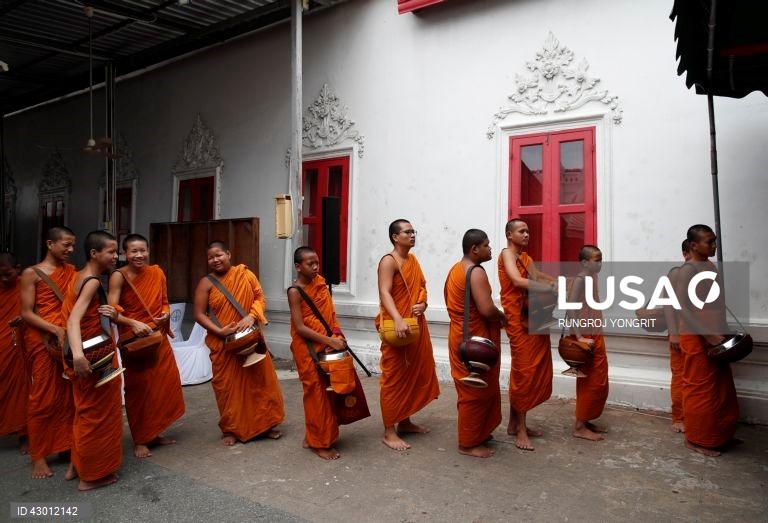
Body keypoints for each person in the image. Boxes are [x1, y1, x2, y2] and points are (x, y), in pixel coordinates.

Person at [193, 241, 285, 446]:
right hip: (223, 344)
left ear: (228, 254)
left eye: (219, 255)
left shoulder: (245, 274)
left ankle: (266, 424)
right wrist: (219, 331)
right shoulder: (206, 283)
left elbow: (260, 298)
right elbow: (199, 314)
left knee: (259, 383)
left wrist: (252, 316)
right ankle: (231, 428)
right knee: (227, 388)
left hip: (250, 338)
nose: (215, 260)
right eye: (210, 257)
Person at [108, 234, 185, 458]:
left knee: (163, 386)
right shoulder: (118, 276)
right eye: (133, 251)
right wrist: (133, 322)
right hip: (135, 340)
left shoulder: (156, 272)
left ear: (148, 251)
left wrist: (165, 315)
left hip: (157, 337)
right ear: (124, 253)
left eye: (143, 250)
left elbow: (164, 301)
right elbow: (112, 311)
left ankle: (155, 431)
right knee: (139, 389)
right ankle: (140, 439)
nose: (139, 255)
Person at [62, 230, 123, 491]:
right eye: (111, 251)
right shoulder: (93, 282)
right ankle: (91, 476)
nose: (115, 256)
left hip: (84, 351)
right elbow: (74, 319)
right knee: (95, 415)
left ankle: (76, 465)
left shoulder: (79, 276)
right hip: (90, 356)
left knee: (83, 410)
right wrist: (78, 356)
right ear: (94, 253)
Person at [674, 224, 739, 457]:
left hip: (715, 333)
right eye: (709, 242)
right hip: (697, 335)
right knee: (699, 388)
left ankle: (721, 434)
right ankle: (696, 438)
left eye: (714, 241)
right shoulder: (688, 270)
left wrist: (723, 329)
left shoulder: (709, 266)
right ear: (693, 245)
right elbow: (681, 306)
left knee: (721, 387)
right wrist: (707, 334)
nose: (714, 246)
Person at [376, 219, 440, 451]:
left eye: (414, 231)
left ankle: (405, 420)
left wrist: (422, 304)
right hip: (399, 325)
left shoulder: (412, 260)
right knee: (394, 377)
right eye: (407, 232)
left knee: (412, 371)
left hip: (414, 325)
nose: (412, 235)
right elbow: (384, 292)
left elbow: (421, 288)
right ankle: (389, 431)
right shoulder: (389, 261)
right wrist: (398, 319)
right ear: (395, 237)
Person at [19, 226, 76, 479]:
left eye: (73, 245)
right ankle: (38, 456)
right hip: (42, 338)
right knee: (42, 396)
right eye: (66, 245)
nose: (70, 250)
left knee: (68, 396)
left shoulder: (72, 272)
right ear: (50, 244)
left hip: (65, 338)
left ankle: (65, 445)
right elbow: (26, 312)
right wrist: (53, 328)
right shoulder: (31, 274)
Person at [444, 229, 506, 458]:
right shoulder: (476, 272)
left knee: (477, 387)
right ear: (475, 249)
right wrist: (502, 317)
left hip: (459, 336)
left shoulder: (455, 270)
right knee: (475, 392)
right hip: (474, 340)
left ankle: (479, 432)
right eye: (487, 245)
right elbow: (486, 309)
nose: (490, 249)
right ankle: (468, 443)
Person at [498, 219, 555, 450]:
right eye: (522, 231)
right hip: (518, 321)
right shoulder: (507, 254)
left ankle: (515, 423)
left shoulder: (526, 258)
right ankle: (520, 429)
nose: (527, 234)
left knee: (529, 371)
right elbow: (517, 281)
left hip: (533, 316)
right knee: (524, 372)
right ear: (509, 235)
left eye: (528, 231)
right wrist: (549, 288)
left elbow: (536, 279)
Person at [286, 246, 348, 460]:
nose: (315, 267)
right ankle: (320, 443)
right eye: (309, 264)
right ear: (297, 267)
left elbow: (330, 315)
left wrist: (337, 336)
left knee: (328, 393)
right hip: (307, 348)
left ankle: (313, 434)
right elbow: (300, 327)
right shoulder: (294, 292)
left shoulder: (320, 284)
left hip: (328, 344)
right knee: (315, 394)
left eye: (316, 263)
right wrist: (328, 340)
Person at [565, 245, 609, 441]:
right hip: (585, 337)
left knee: (598, 380)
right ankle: (579, 426)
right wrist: (580, 337)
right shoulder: (581, 280)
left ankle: (587, 419)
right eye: (596, 260)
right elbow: (571, 308)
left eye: (601, 260)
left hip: (595, 335)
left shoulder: (590, 279)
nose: (599, 264)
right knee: (589, 382)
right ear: (584, 262)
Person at [0, 253, 29, 454]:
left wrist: (25, 317)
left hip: (18, 343)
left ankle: (23, 434)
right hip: (2, 342)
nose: (3, 279)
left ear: (17, 269)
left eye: (7, 274)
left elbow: (36, 310)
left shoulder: (26, 285)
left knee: (20, 389)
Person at [663, 239, 692, 434]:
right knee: (681, 376)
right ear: (685, 253)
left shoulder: (703, 272)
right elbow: (668, 303)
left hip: (698, 335)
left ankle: (696, 416)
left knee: (696, 379)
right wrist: (674, 333)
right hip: (680, 334)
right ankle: (679, 416)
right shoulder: (676, 273)